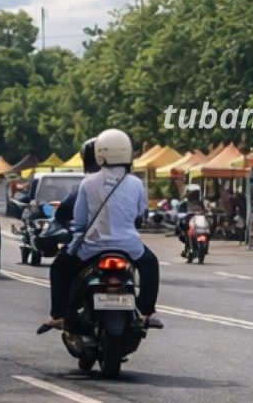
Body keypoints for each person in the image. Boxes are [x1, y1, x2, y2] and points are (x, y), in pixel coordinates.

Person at [42, 129, 163, 332]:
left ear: (99, 153)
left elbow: (80, 220)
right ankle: (148, 312)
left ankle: (58, 316)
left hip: (92, 248)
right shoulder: (136, 183)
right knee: (151, 264)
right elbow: (139, 214)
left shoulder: (87, 183)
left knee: (59, 268)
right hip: (129, 247)